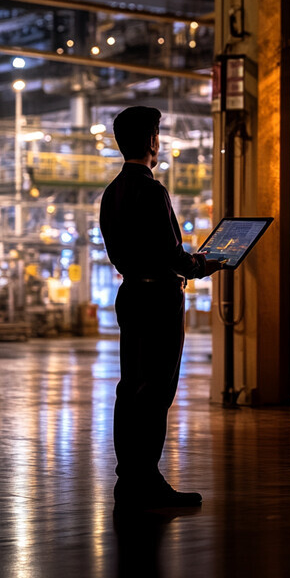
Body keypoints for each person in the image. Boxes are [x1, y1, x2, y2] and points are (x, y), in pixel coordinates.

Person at [100, 106, 222, 509]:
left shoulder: (113, 191)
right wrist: (204, 265)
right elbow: (172, 255)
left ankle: (128, 480)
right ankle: (147, 482)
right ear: (153, 140)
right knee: (156, 390)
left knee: (130, 387)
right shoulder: (152, 191)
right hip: (159, 299)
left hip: (131, 293)